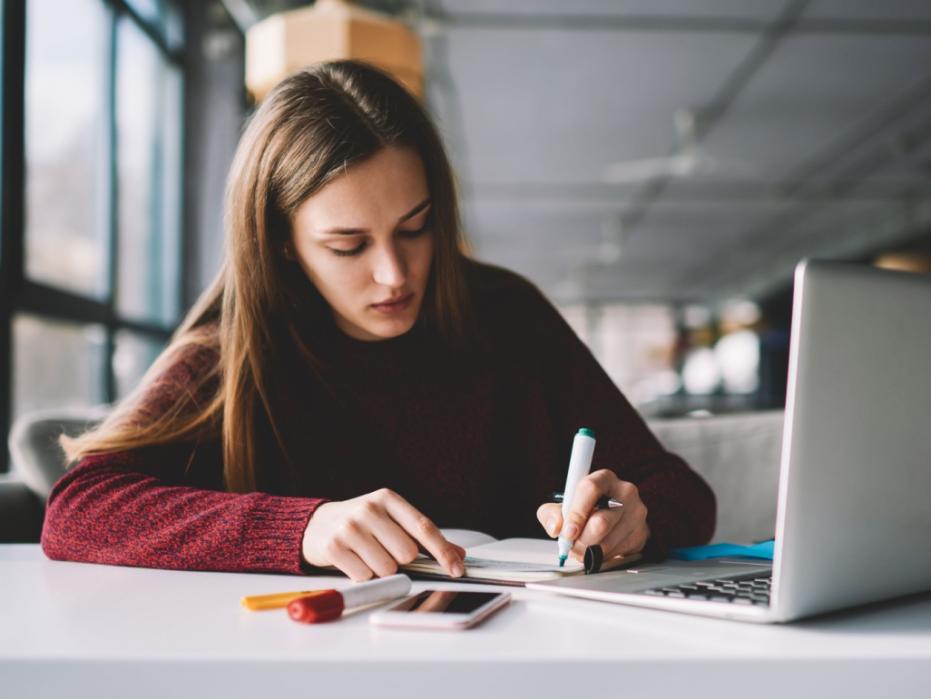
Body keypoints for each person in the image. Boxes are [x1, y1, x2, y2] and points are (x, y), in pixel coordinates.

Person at [41, 61, 716, 581]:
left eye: (415, 228)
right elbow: (77, 508)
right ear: (282, 242)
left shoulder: (507, 313)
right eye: (348, 245)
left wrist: (630, 518)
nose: (395, 274)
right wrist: (301, 528)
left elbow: (682, 490)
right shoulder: (232, 350)